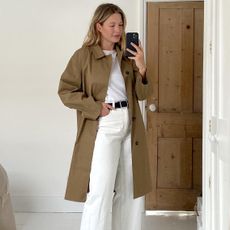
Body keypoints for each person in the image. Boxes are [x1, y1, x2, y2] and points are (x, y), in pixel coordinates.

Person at [58, 3, 152, 230]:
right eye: (112, 24)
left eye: (121, 24)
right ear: (99, 26)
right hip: (104, 124)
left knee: (130, 190)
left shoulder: (126, 57)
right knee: (100, 190)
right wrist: (95, 107)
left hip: (130, 123)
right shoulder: (83, 56)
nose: (118, 29)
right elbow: (65, 91)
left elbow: (142, 94)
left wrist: (141, 67)